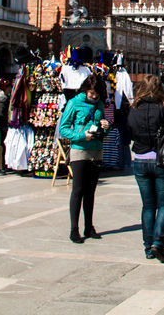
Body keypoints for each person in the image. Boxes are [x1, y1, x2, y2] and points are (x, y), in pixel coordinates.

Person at [129, 74, 164, 262]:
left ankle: (147, 247)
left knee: (148, 206)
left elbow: (129, 132)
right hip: (161, 160)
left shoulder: (133, 108)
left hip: (140, 159)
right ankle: (158, 242)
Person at [58, 74, 110, 243]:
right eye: (92, 93)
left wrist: (106, 126)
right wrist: (81, 136)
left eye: (97, 94)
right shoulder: (74, 103)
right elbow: (63, 129)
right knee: (78, 190)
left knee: (91, 191)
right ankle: (74, 229)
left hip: (96, 150)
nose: (94, 97)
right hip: (79, 150)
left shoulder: (100, 104)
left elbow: (103, 128)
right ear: (86, 89)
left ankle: (89, 226)